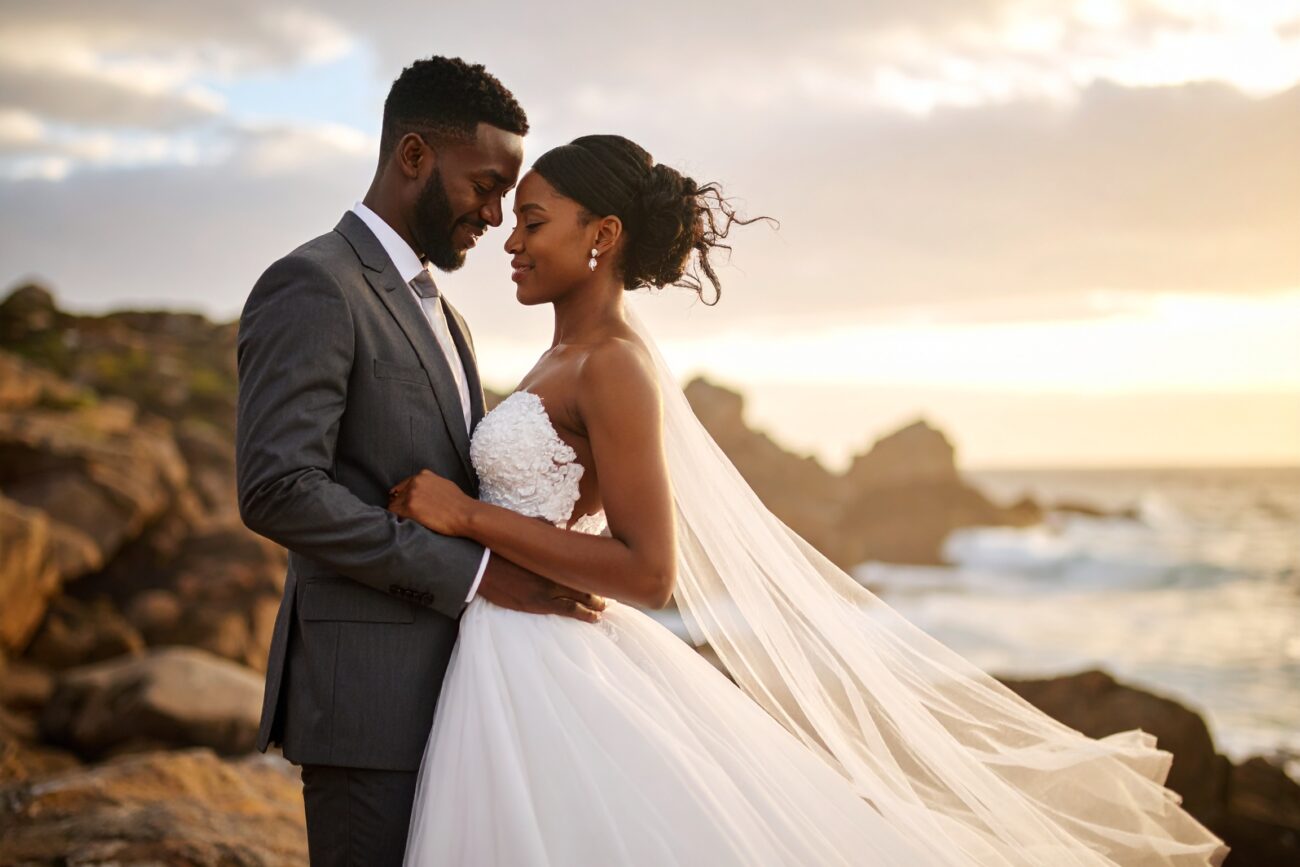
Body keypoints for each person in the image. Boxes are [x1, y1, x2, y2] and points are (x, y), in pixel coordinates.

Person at [388, 134, 1230, 865]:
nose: (511, 242)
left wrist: (467, 516)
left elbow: (649, 570)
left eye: (533, 222)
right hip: (504, 650)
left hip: (550, 666)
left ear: (602, 234)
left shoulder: (612, 364)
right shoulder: (554, 359)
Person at [235, 57, 606, 867]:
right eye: (485, 184)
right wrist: (472, 575)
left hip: (466, 694)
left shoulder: (447, 315)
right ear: (413, 158)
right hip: (366, 702)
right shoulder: (314, 284)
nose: (497, 214)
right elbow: (277, 488)